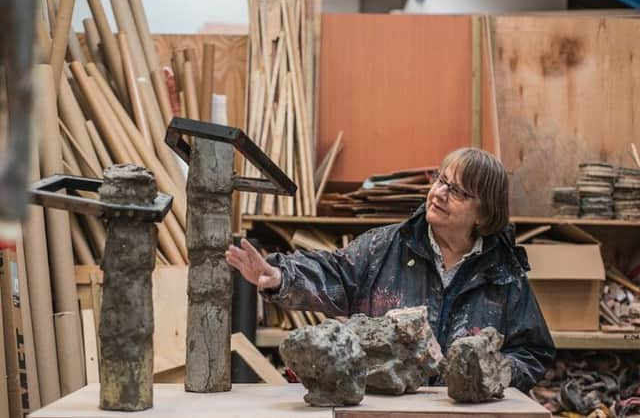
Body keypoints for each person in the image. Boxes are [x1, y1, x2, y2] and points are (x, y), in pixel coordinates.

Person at [225, 147, 555, 392]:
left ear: (483, 214)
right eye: (441, 180)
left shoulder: (504, 273)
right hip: (388, 409)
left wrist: (494, 373)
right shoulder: (385, 246)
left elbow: (533, 351)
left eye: (456, 191)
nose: (438, 193)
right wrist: (281, 277)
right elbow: (335, 272)